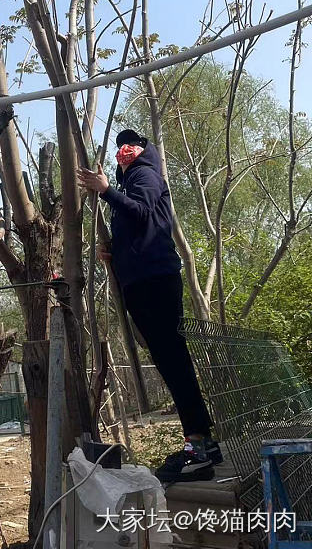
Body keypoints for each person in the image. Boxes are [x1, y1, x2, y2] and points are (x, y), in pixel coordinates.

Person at [77, 128, 222, 484]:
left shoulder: (145, 174)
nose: (124, 150)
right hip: (143, 279)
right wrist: (114, 250)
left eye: (131, 144)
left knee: (173, 360)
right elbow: (141, 225)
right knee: (170, 360)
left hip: (154, 279)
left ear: (143, 149)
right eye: (120, 146)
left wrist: (106, 190)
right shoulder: (132, 183)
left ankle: (200, 444)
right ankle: (200, 442)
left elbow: (142, 213)